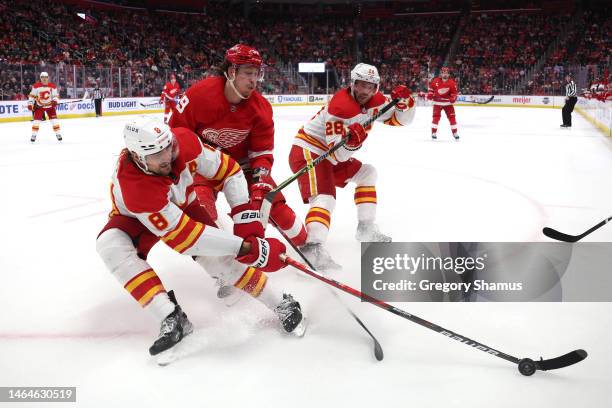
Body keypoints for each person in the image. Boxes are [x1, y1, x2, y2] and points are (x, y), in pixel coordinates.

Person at [95, 117, 306, 356]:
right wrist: (245, 247)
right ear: (137, 157)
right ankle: (170, 315)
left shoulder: (185, 142)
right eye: (156, 155)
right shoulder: (136, 187)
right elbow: (188, 238)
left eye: (168, 148)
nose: (167, 158)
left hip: (183, 204)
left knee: (221, 262)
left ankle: (280, 301)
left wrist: (244, 222)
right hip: (135, 218)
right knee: (110, 245)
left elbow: (231, 171)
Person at [169, 44, 307, 249]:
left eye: (257, 74)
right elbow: (177, 135)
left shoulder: (260, 108)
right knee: (201, 209)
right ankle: (224, 266)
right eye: (248, 73)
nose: (254, 80)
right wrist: (178, 172)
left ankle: (307, 245)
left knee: (273, 203)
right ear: (232, 72)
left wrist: (261, 181)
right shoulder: (199, 95)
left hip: (243, 167)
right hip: (204, 165)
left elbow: (262, 152)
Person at [287, 63, 416, 270]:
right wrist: (351, 144)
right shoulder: (340, 108)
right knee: (325, 197)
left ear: (376, 87)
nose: (365, 91)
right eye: (361, 85)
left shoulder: (377, 100)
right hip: (310, 151)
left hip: (330, 153)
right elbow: (337, 154)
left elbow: (400, 122)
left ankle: (365, 228)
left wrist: (407, 105)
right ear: (353, 83)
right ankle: (312, 247)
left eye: (370, 86)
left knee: (367, 174)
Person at [28, 72, 62, 143]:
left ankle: (58, 134)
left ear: (48, 78)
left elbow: (55, 96)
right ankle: (34, 135)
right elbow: (32, 96)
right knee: (36, 122)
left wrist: (55, 101)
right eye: (42, 77)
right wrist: (30, 104)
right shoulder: (36, 86)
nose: (44, 78)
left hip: (50, 106)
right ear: (40, 78)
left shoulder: (52, 86)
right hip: (39, 106)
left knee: (54, 121)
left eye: (46, 77)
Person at [427, 66, 459, 140]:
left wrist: (453, 98)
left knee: (452, 118)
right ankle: (433, 132)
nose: (445, 74)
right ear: (441, 74)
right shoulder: (435, 81)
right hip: (437, 103)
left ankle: (455, 132)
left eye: (446, 73)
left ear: (449, 74)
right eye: (443, 73)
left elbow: (454, 93)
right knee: (436, 118)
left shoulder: (452, 83)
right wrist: (430, 94)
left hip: (447, 104)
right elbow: (431, 89)